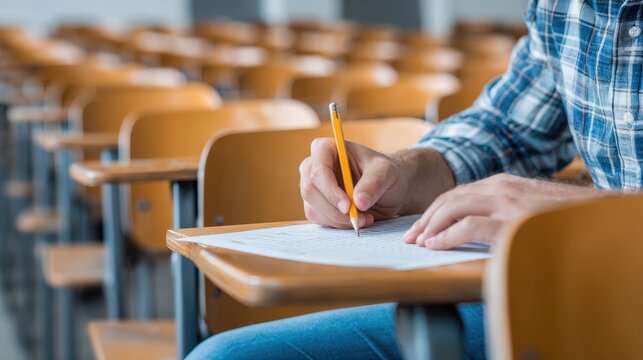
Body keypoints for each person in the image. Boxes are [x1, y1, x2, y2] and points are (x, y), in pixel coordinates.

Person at [188, 0, 641, 359]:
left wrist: (593, 216)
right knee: (229, 355)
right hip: (572, 290)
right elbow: (505, 129)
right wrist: (404, 172)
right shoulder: (569, 6)